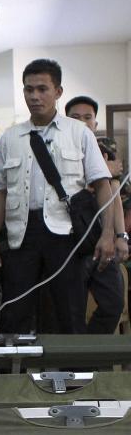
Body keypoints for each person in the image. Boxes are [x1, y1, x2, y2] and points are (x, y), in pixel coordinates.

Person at [0, 59, 115, 335]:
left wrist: (107, 235)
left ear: (58, 92)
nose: (34, 96)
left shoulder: (78, 133)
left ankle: (73, 376)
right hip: (21, 234)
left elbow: (103, 185)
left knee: (69, 312)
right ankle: (10, 376)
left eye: (42, 89)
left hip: (66, 233)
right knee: (14, 311)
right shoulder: (10, 138)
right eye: (28, 89)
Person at [64, 97, 130, 334]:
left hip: (102, 239)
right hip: (70, 242)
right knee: (72, 310)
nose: (82, 122)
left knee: (113, 303)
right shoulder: (58, 149)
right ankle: (75, 362)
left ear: (95, 121)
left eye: (87, 117)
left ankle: (90, 357)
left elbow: (112, 194)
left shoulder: (103, 151)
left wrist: (120, 235)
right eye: (75, 117)